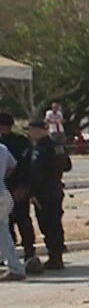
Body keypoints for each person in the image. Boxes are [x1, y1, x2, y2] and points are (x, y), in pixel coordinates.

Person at [23, 119, 70, 271]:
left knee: (47, 224)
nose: (29, 134)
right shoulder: (58, 146)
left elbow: (35, 172)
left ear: (38, 130)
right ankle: (57, 256)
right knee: (56, 224)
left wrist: (33, 193)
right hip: (56, 189)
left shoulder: (40, 149)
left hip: (44, 193)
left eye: (30, 130)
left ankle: (54, 258)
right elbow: (67, 166)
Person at [0, 114, 33, 274]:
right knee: (7, 226)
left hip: (17, 188)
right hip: (5, 189)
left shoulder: (20, 142)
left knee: (22, 221)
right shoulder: (3, 146)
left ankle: (27, 255)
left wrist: (24, 185)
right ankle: (9, 259)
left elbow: (25, 166)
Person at [0, 140, 21, 280]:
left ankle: (15, 268)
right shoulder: (2, 148)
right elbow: (13, 166)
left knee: (2, 232)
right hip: (3, 192)